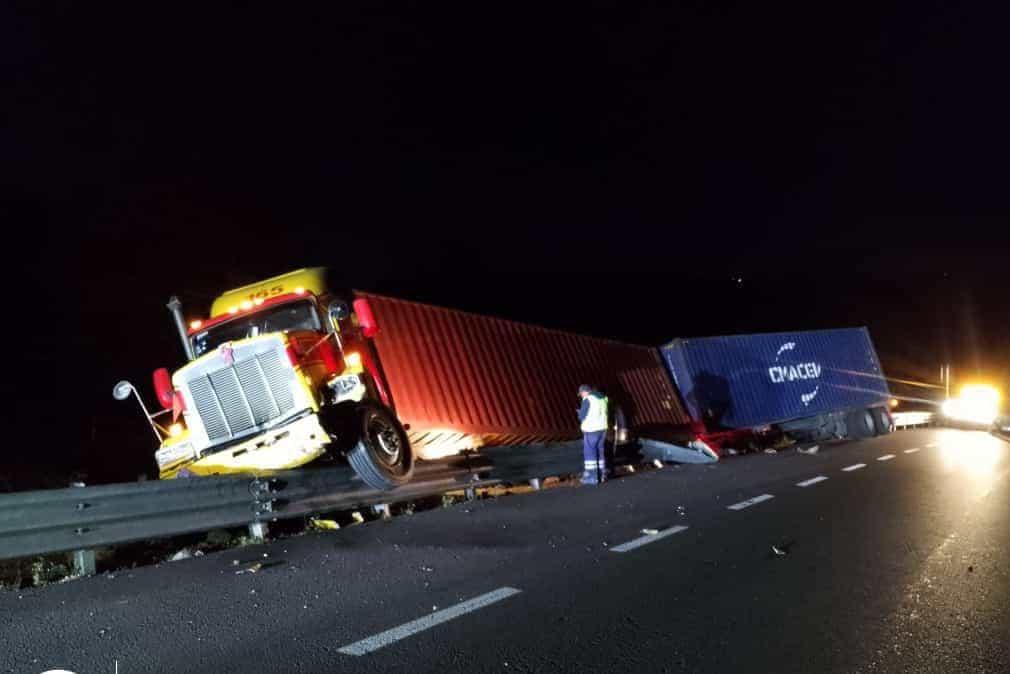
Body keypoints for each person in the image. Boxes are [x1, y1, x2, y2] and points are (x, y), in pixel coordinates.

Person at [577, 384, 609, 484]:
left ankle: (592, 477)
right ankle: (602, 474)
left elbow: (582, 416)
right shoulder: (603, 399)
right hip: (602, 429)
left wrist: (579, 413)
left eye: (581, 394)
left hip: (591, 430)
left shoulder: (588, 399)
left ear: (585, 392)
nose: (581, 396)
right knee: (600, 451)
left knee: (590, 452)